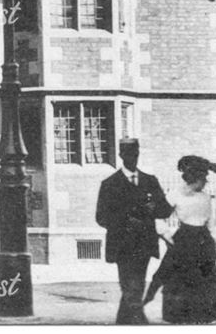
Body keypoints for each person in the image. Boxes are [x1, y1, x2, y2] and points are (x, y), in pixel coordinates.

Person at [95, 138, 173, 325]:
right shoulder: (110, 184)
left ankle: (124, 323)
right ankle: (139, 323)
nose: (133, 158)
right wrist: (126, 220)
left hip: (144, 244)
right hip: (122, 244)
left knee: (135, 286)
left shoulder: (150, 181)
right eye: (129, 154)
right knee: (130, 286)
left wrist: (153, 207)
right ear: (121, 155)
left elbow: (165, 210)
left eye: (136, 154)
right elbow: (101, 217)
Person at [144, 155, 216, 324]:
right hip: (185, 240)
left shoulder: (206, 197)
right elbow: (159, 215)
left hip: (204, 241)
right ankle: (180, 316)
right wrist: (166, 234)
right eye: (203, 178)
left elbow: (210, 223)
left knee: (205, 277)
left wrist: (215, 241)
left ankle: (205, 315)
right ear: (195, 178)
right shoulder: (176, 194)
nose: (205, 182)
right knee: (181, 277)